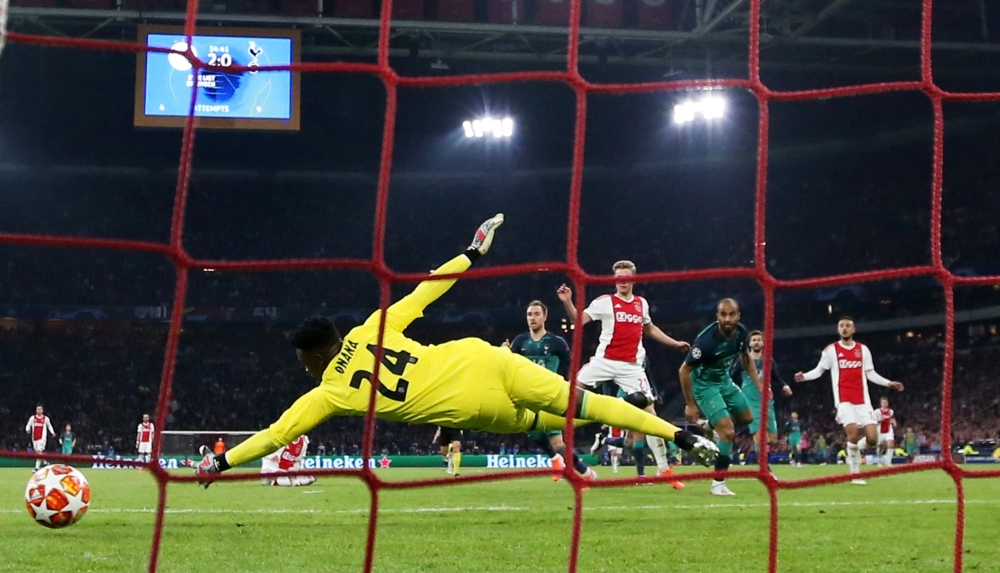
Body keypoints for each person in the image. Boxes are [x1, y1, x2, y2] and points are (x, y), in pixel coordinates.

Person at [194, 215, 718, 487]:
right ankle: (678, 433)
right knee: (574, 402)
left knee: (542, 423)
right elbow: (429, 287)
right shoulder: (373, 326)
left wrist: (220, 464)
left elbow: (275, 436)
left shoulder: (330, 392)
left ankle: (615, 421)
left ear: (313, 357)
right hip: (482, 357)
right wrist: (472, 251)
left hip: (473, 409)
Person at [556, 261, 690, 487]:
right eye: (619, 278)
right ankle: (564, 456)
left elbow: (650, 329)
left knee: (651, 415)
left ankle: (664, 470)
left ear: (633, 279)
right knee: (568, 395)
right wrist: (568, 302)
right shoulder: (605, 302)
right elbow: (579, 320)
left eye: (627, 277)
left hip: (632, 368)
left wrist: (674, 343)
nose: (623, 281)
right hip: (604, 362)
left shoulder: (641, 304)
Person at [794, 316, 904, 485]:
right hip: (844, 400)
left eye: (848, 326)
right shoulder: (831, 350)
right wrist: (804, 377)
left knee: (873, 439)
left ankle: (854, 449)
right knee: (852, 433)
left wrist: (889, 383)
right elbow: (819, 370)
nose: (844, 328)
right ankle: (855, 473)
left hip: (863, 401)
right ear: (838, 330)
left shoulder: (863, 350)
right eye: (841, 326)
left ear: (854, 329)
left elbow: (870, 373)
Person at [507, 300, 596, 483]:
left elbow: (572, 363)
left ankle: (585, 474)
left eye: (536, 314)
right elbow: (511, 366)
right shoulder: (520, 342)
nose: (532, 318)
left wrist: (572, 384)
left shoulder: (556, 342)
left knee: (558, 443)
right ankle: (556, 460)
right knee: (530, 430)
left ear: (545, 317)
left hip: (549, 397)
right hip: (527, 397)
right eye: (529, 314)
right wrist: (505, 352)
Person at [679, 298, 761, 496]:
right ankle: (718, 484)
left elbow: (745, 356)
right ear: (717, 317)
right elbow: (683, 371)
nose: (727, 319)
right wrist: (690, 404)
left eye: (731, 314)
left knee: (748, 418)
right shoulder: (706, 342)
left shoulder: (741, 332)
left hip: (724, 381)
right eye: (723, 315)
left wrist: (758, 383)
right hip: (705, 386)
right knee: (728, 433)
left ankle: (711, 425)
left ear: (738, 316)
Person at [729, 329, 792, 465]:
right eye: (754, 340)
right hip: (750, 400)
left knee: (773, 438)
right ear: (749, 343)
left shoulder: (769, 361)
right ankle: (764, 466)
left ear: (763, 343)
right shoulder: (742, 360)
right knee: (759, 434)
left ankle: (762, 456)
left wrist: (784, 386)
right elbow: (731, 377)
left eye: (759, 340)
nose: (756, 342)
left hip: (767, 400)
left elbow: (777, 377)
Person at [25, 405, 56, 471]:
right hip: (34, 438)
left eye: (40, 409)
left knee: (39, 451)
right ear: (36, 410)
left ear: (42, 410)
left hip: (42, 438)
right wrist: (27, 429)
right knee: (37, 453)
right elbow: (28, 425)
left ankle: (36, 468)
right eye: (38, 409)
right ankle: (45, 462)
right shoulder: (32, 418)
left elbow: (49, 426)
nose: (39, 411)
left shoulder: (46, 419)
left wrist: (52, 432)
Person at [875, 397, 898, 467]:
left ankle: (889, 462)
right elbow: (872, 420)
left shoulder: (891, 411)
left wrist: (894, 422)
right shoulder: (877, 412)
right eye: (883, 402)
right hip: (880, 431)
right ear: (881, 403)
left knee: (890, 444)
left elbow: (892, 418)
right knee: (880, 447)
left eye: (886, 402)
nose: (884, 404)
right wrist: (879, 420)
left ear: (887, 403)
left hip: (889, 430)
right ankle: (879, 461)